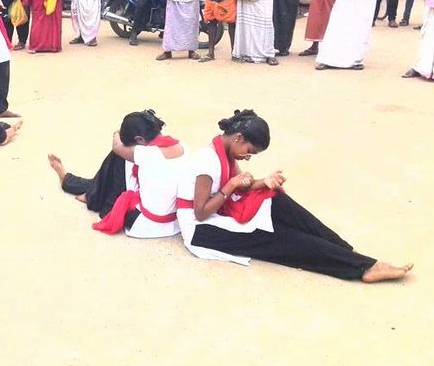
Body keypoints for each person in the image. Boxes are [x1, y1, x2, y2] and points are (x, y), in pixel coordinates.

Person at [176, 109, 414, 282]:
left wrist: (264, 181)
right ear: (238, 138)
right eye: (249, 152)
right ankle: (362, 267)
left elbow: (242, 185)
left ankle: (343, 249)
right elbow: (201, 211)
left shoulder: (225, 150)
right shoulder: (207, 162)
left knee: (278, 200)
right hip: (203, 229)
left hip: (221, 210)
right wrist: (231, 186)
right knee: (285, 238)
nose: (248, 157)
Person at [48, 109, 188, 239]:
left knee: (120, 156)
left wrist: (118, 133)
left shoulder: (147, 153)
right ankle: (87, 190)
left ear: (140, 139)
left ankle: (88, 193)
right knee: (124, 158)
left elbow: (116, 146)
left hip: (144, 222)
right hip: (174, 222)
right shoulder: (183, 146)